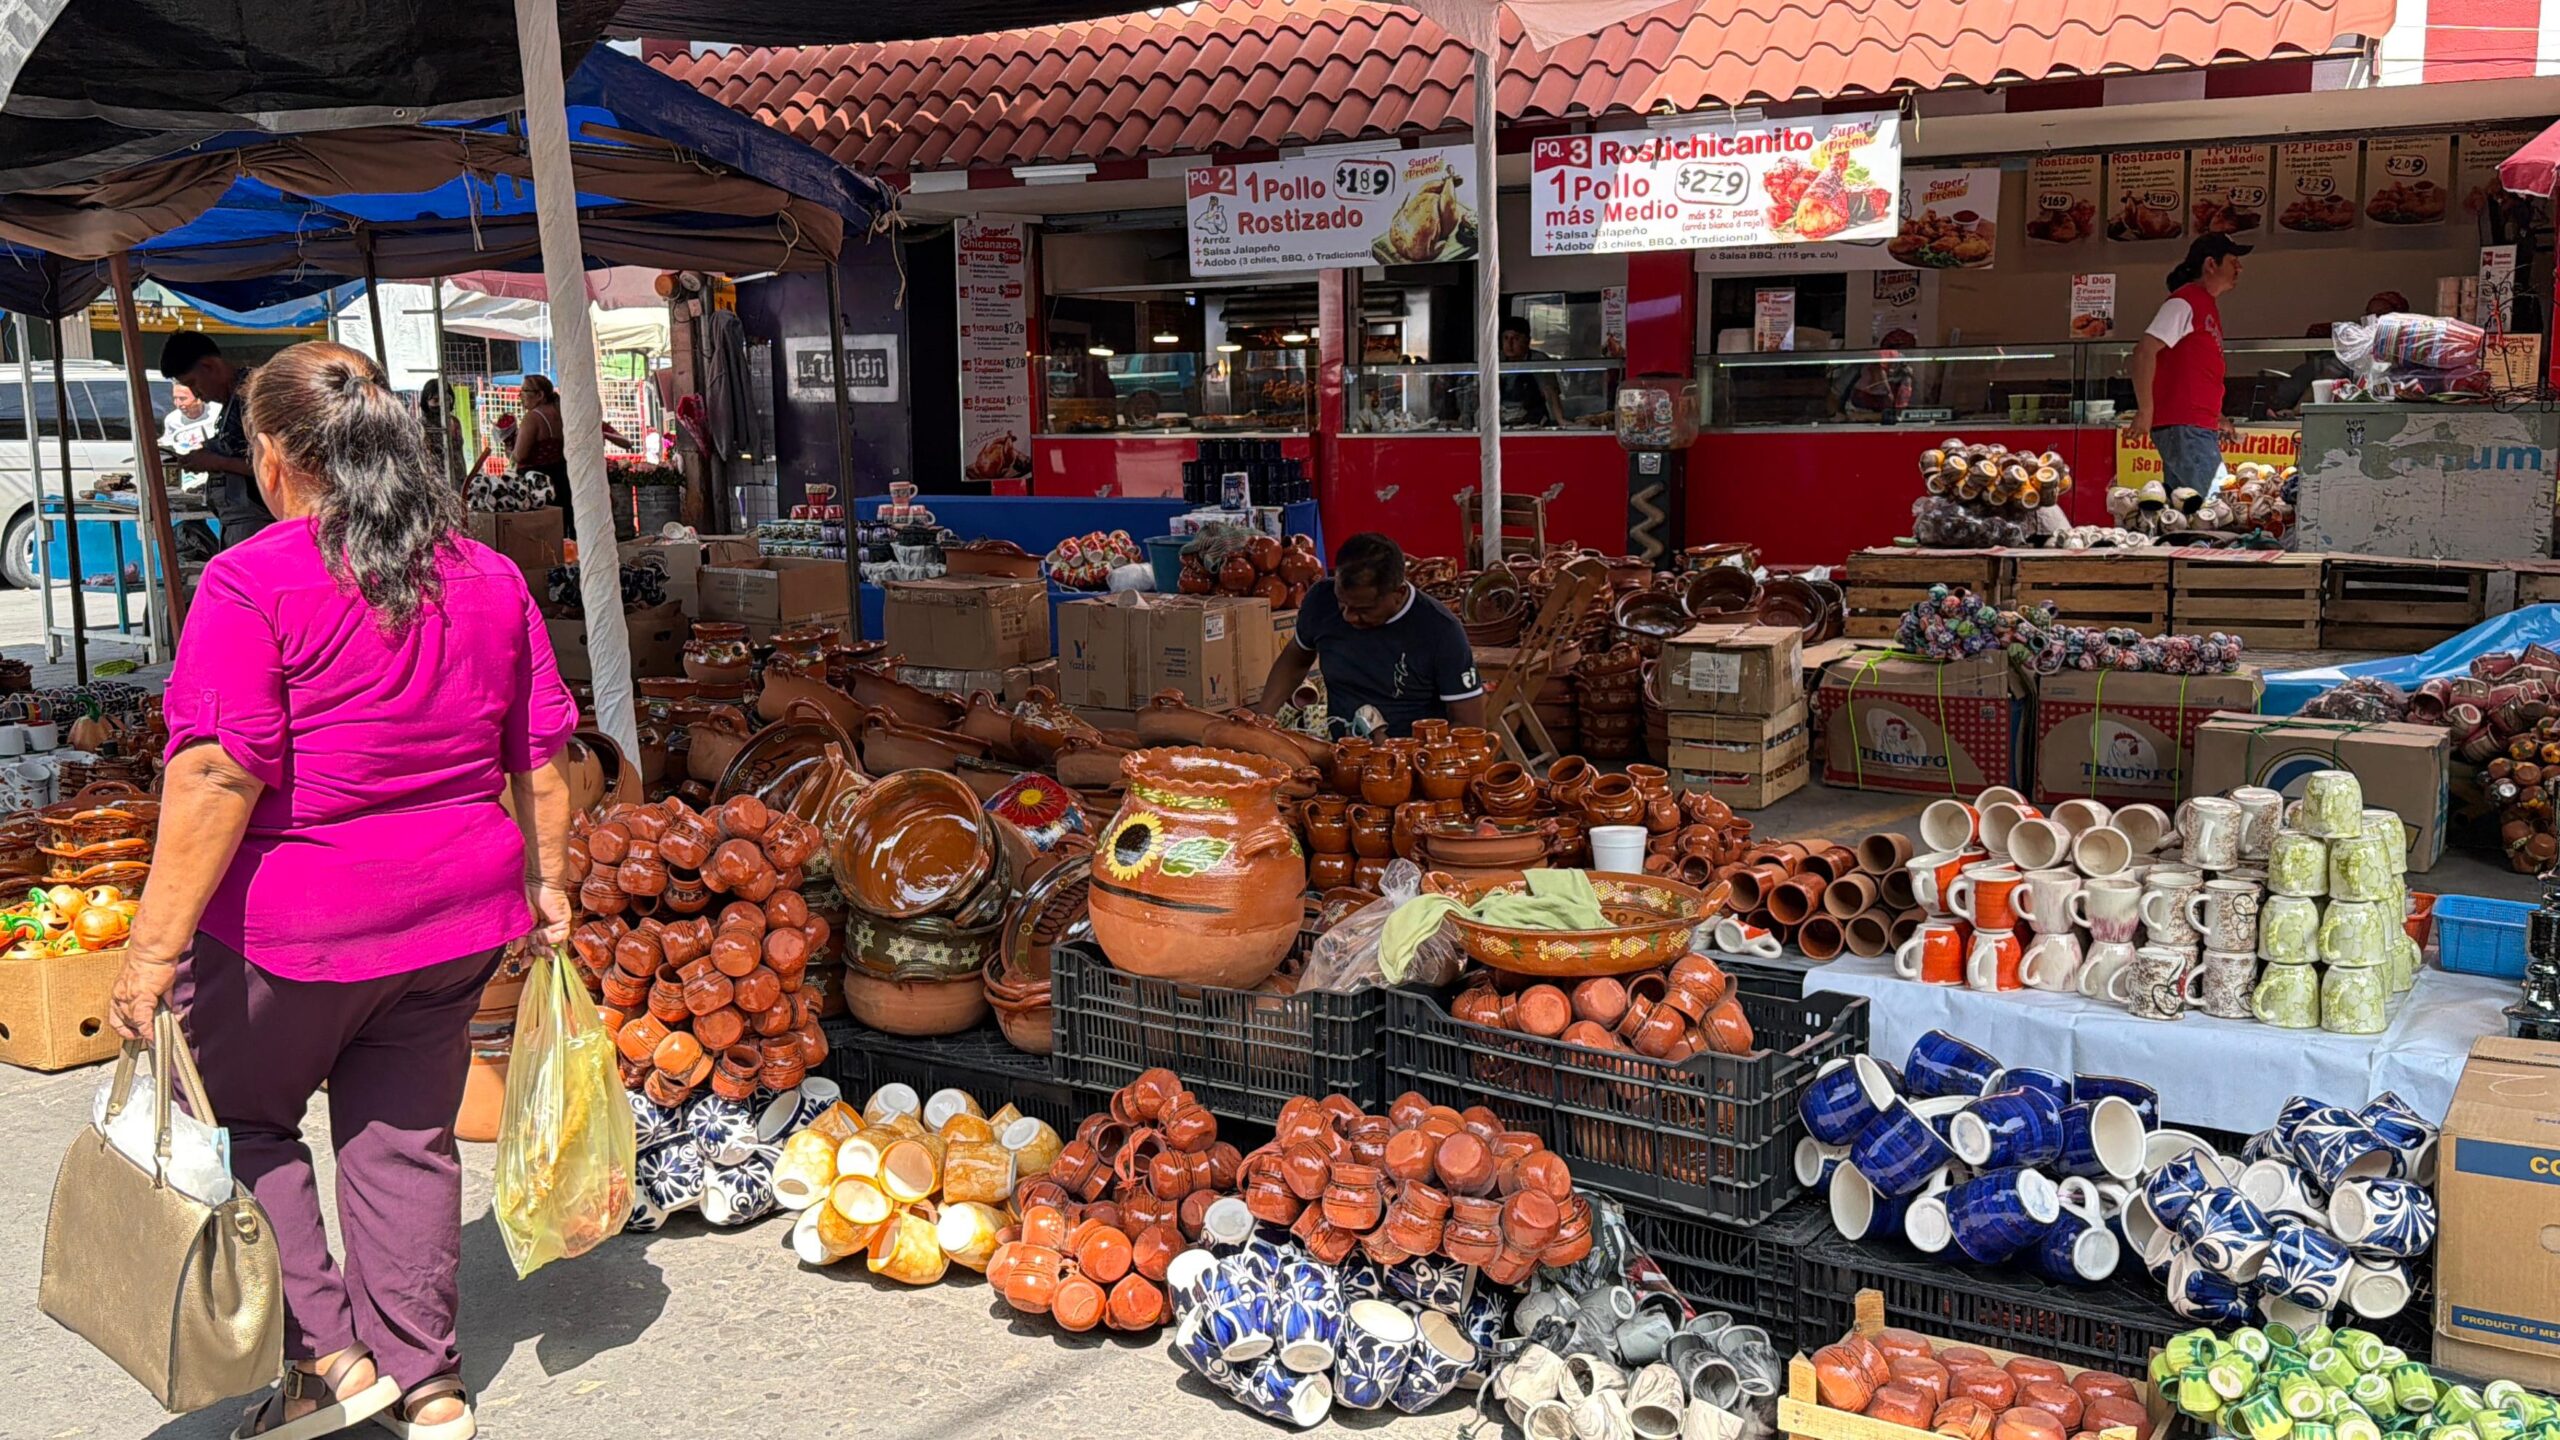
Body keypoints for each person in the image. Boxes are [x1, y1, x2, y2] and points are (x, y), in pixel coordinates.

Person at [108, 340, 579, 1440]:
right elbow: (544, 760)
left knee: (240, 1124)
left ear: (273, 457)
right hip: (455, 917)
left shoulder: (251, 578)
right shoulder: (487, 574)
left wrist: (148, 952)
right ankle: (428, 1382)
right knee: (404, 1137)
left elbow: (216, 774)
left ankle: (328, 1358)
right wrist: (550, 885)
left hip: (295, 926)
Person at [1255, 532, 1485, 737]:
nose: (1348, 616)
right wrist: (1262, 719)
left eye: (1363, 610)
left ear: (1398, 593)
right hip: (1342, 749)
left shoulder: (1440, 631)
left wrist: (1406, 755)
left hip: (1411, 758)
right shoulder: (1321, 599)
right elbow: (1296, 658)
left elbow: (1470, 725)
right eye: (1342, 603)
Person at [2124, 233, 2250, 493]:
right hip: (2185, 426)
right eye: (2233, 261)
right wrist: (2145, 410)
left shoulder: (2204, 303)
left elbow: (2195, 370)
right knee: (2213, 507)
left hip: (2193, 426)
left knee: (2187, 507)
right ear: (2211, 264)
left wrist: (2217, 417)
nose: (2240, 268)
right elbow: (2144, 352)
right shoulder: (2185, 301)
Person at [159, 331, 277, 548]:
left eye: (193, 383)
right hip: (235, 524)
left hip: (261, 525)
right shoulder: (230, 402)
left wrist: (216, 461)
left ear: (209, 365)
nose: (196, 393)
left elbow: (274, 465)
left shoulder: (255, 398)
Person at [2272, 293, 2410, 414]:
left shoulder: (2409, 350)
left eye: (2381, 314)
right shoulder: (2357, 351)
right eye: (2369, 314)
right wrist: (2297, 411)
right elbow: (2324, 380)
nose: (2374, 319)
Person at [1497, 316, 1566, 429]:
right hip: (1500, 421)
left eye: (1515, 339)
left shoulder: (1538, 360)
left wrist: (1561, 421)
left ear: (1527, 341)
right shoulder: (1495, 360)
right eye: (1506, 338)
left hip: (1532, 422)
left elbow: (1550, 392)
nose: (1509, 344)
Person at [162, 381, 221, 454]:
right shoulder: (171, 420)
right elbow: (168, 446)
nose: (177, 404)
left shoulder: (217, 411)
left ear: (199, 398)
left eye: (182, 398)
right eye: (175, 398)